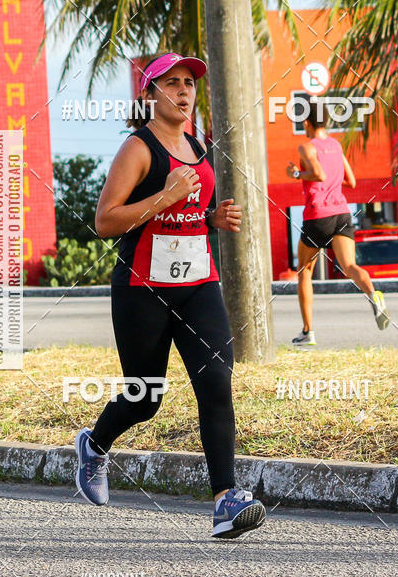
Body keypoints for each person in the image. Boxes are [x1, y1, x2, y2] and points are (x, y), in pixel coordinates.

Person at [74, 52, 266, 539]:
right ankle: (94, 446)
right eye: (172, 83)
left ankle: (226, 499)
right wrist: (165, 195)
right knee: (146, 396)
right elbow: (105, 222)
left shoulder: (197, 146)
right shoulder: (138, 149)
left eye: (189, 84)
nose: (183, 91)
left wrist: (213, 220)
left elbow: (187, 218)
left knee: (216, 380)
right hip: (144, 289)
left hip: (198, 283)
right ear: (150, 94)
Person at [286, 99, 390, 347]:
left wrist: (297, 174)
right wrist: (331, 178)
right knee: (350, 265)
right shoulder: (335, 145)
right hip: (342, 213)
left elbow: (318, 174)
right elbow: (351, 181)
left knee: (304, 272)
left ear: (307, 122)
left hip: (318, 214)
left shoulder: (306, 147)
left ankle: (308, 332)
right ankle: (374, 297)